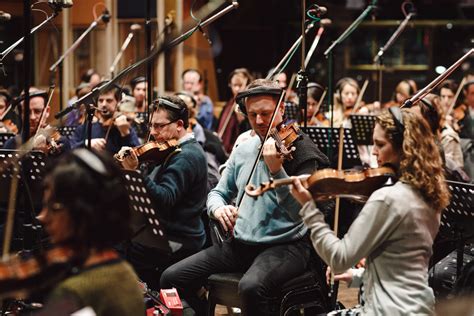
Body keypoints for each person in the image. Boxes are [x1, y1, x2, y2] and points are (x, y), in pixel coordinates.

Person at [160, 79, 330, 315]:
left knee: (250, 287)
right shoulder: (245, 149)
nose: (259, 121)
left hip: (286, 246)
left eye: (266, 114)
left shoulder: (301, 151)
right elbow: (218, 193)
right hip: (240, 245)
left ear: (281, 109)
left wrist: (276, 171)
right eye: (253, 115)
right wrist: (218, 209)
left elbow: (302, 211)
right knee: (170, 278)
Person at [291, 108, 450, 315]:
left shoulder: (387, 199)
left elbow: (338, 258)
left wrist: (309, 209)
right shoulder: (430, 194)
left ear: (405, 147)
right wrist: (359, 276)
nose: (374, 151)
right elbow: (404, 262)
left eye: (380, 144)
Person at [35, 148, 145, 315]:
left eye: (53, 207)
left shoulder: (75, 293)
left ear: (84, 214)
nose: (42, 217)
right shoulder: (125, 272)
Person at [119, 95, 208, 290]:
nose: (152, 132)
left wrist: (134, 172)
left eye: (159, 126)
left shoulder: (186, 156)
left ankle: (144, 300)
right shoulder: (173, 150)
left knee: (124, 247)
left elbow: (164, 199)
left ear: (179, 124)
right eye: (151, 125)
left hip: (180, 237)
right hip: (168, 229)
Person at [70, 83, 140, 155]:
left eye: (109, 100)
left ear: (118, 102)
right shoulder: (85, 127)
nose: (104, 104)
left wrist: (126, 134)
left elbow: (136, 156)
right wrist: (86, 143)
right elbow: (70, 151)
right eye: (100, 100)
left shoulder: (125, 127)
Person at [3, 88, 71, 155]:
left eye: (37, 111)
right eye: (27, 112)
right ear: (21, 114)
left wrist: (42, 155)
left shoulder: (61, 143)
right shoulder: (11, 144)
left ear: (47, 111)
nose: (32, 117)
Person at [217, 68, 253, 154]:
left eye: (240, 85)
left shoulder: (249, 105)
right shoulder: (229, 104)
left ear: (247, 84)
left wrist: (242, 120)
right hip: (223, 148)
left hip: (239, 149)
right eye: (234, 85)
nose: (237, 89)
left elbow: (249, 131)